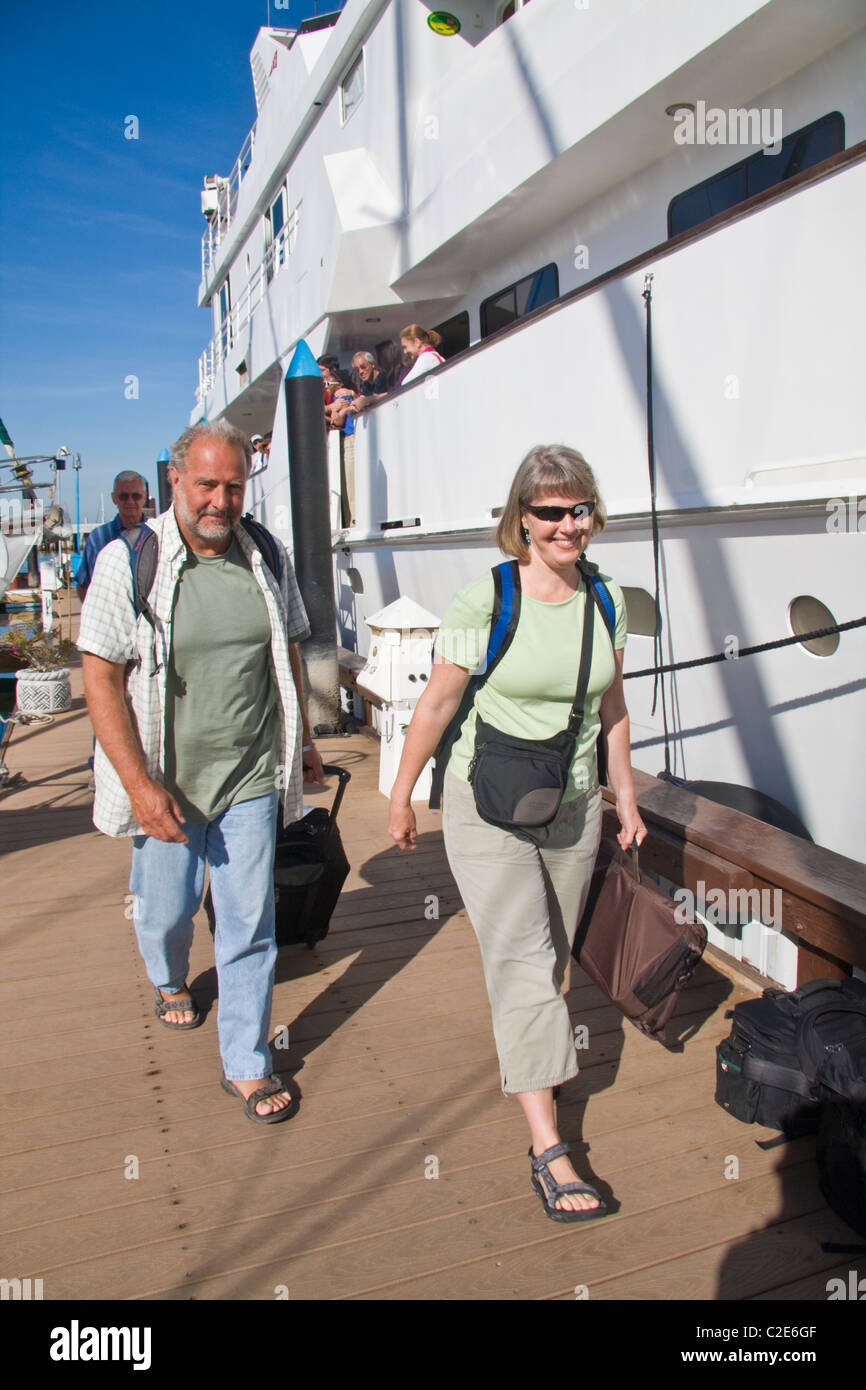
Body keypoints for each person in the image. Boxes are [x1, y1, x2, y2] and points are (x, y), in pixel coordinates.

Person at [388, 444, 647, 1219]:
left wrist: (624, 800)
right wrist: (403, 797)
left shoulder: (608, 599)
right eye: (550, 512)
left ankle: (531, 1053)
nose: (568, 525)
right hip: (487, 803)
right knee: (525, 960)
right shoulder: (487, 599)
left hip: (571, 804)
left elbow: (614, 712)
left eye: (580, 509)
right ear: (521, 520)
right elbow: (435, 706)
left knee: (552, 957)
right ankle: (550, 1148)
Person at [79, 419, 325, 1124]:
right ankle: (167, 976)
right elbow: (99, 677)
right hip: (167, 781)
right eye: (207, 484)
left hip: (250, 774)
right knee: (166, 909)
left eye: (234, 486)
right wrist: (138, 785)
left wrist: (305, 741)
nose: (220, 500)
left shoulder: (267, 556)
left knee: (250, 920)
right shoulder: (130, 565)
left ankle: (247, 1063)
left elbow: (288, 659)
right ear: (177, 483)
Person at [76, 471, 149, 599]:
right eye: (123, 496)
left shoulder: (158, 534)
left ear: (144, 497)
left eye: (136, 496)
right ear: (114, 498)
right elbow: (83, 584)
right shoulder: (97, 539)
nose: (130, 501)